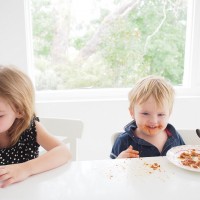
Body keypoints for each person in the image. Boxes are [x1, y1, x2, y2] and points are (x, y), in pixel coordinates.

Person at [0, 65, 71, 188]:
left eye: (0, 115)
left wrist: (25, 169)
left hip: (27, 192)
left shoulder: (30, 128)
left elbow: (64, 152)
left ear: (20, 111)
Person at [110, 75, 185, 159]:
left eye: (160, 114)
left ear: (169, 113)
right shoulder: (124, 141)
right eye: (145, 113)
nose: (153, 121)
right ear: (132, 113)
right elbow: (111, 169)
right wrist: (119, 161)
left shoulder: (174, 136)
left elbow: (185, 159)